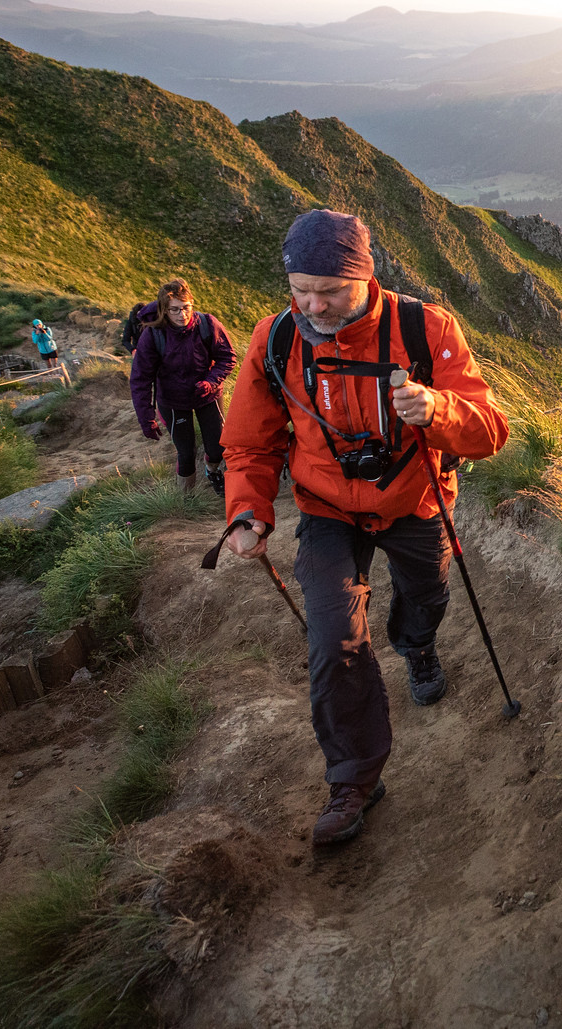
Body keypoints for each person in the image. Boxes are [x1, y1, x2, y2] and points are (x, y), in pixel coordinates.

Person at [219, 210, 508, 846]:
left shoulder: (425, 328)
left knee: (426, 596)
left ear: (366, 279)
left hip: (414, 502)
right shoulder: (275, 341)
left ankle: (417, 644)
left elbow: (489, 431)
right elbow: (248, 444)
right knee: (332, 640)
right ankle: (353, 779)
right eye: (301, 291)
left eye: (330, 291)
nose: (314, 305)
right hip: (326, 508)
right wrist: (249, 512)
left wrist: (438, 409)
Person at [129, 279, 237, 494]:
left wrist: (210, 382)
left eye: (186, 308)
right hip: (173, 401)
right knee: (186, 452)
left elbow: (227, 357)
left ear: (192, 304)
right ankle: (185, 499)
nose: (182, 315)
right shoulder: (153, 335)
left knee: (217, 448)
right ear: (164, 310)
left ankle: (212, 471)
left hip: (207, 394)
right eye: (174, 310)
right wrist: (146, 417)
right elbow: (141, 378)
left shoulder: (207, 324)